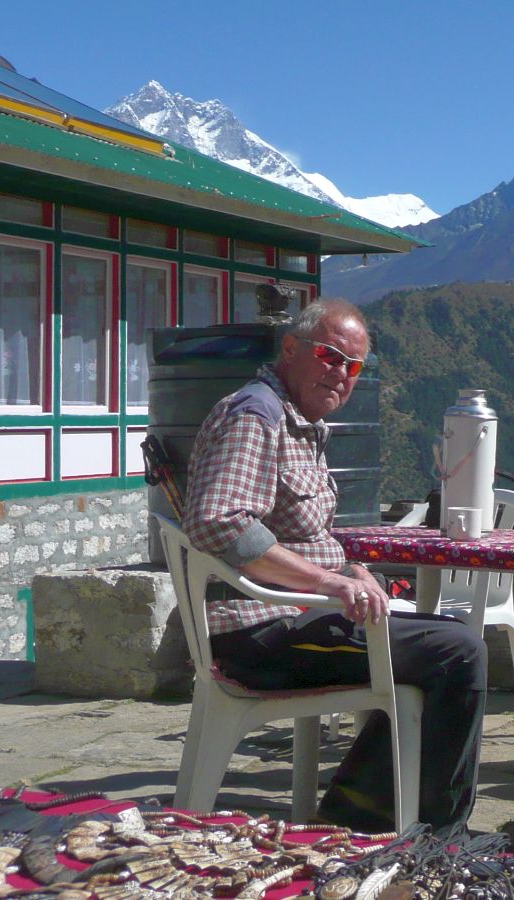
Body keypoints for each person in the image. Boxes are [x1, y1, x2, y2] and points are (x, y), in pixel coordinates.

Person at [184, 299, 487, 831]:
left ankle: (362, 815)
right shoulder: (257, 416)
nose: (340, 374)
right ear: (292, 349)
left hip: (292, 617)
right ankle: (415, 833)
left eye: (353, 367)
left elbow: (301, 535)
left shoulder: (296, 421)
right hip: (261, 633)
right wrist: (327, 581)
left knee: (448, 638)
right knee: (455, 654)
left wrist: (350, 571)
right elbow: (219, 522)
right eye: (329, 356)